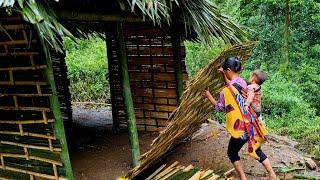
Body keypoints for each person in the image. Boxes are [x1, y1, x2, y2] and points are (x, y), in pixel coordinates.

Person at [202, 57, 276, 180]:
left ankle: (243, 178)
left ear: (228, 70)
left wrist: (209, 96)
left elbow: (220, 108)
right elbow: (232, 85)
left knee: (232, 152)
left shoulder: (225, 92)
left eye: (225, 71)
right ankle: (272, 174)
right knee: (256, 148)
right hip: (252, 124)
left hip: (241, 127)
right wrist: (223, 74)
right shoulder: (243, 82)